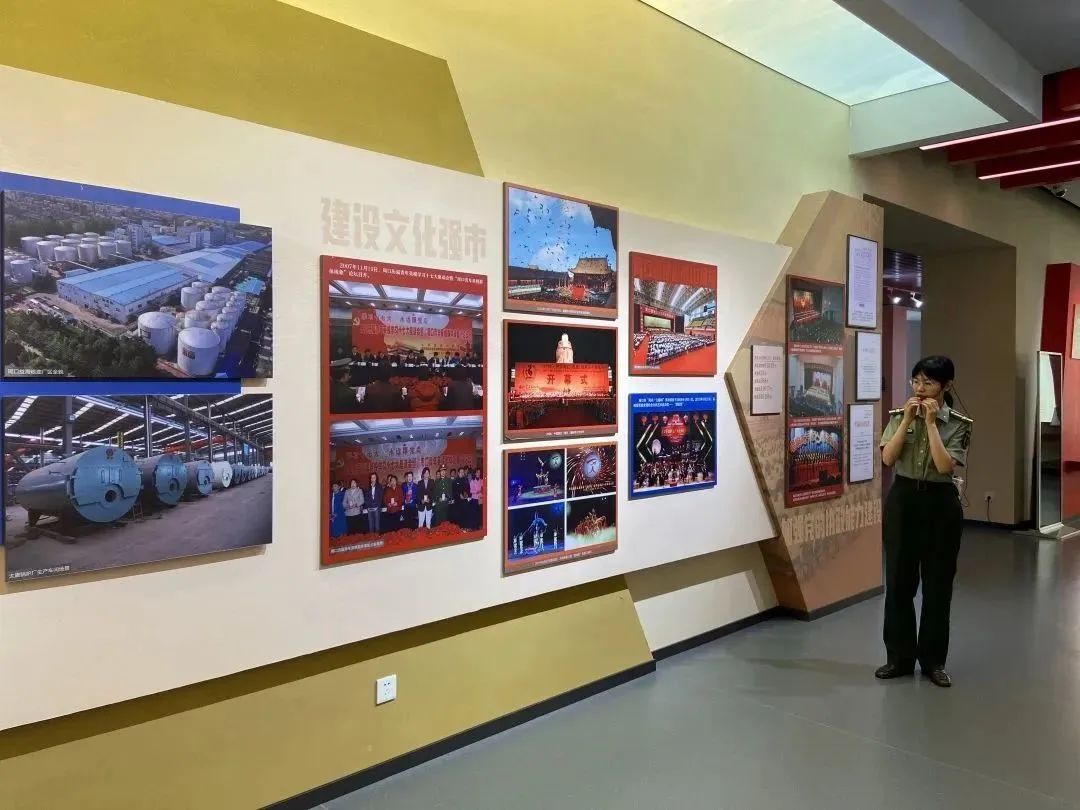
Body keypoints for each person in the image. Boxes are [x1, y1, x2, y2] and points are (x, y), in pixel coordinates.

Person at [876, 356, 973, 688]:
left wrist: (931, 424)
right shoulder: (898, 416)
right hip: (903, 499)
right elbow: (888, 458)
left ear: (946, 386)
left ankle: (933, 661)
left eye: (928, 383)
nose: (920, 389)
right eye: (916, 381)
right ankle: (899, 658)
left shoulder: (958, 424)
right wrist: (907, 420)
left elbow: (945, 466)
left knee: (937, 586)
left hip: (940, 503)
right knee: (899, 583)